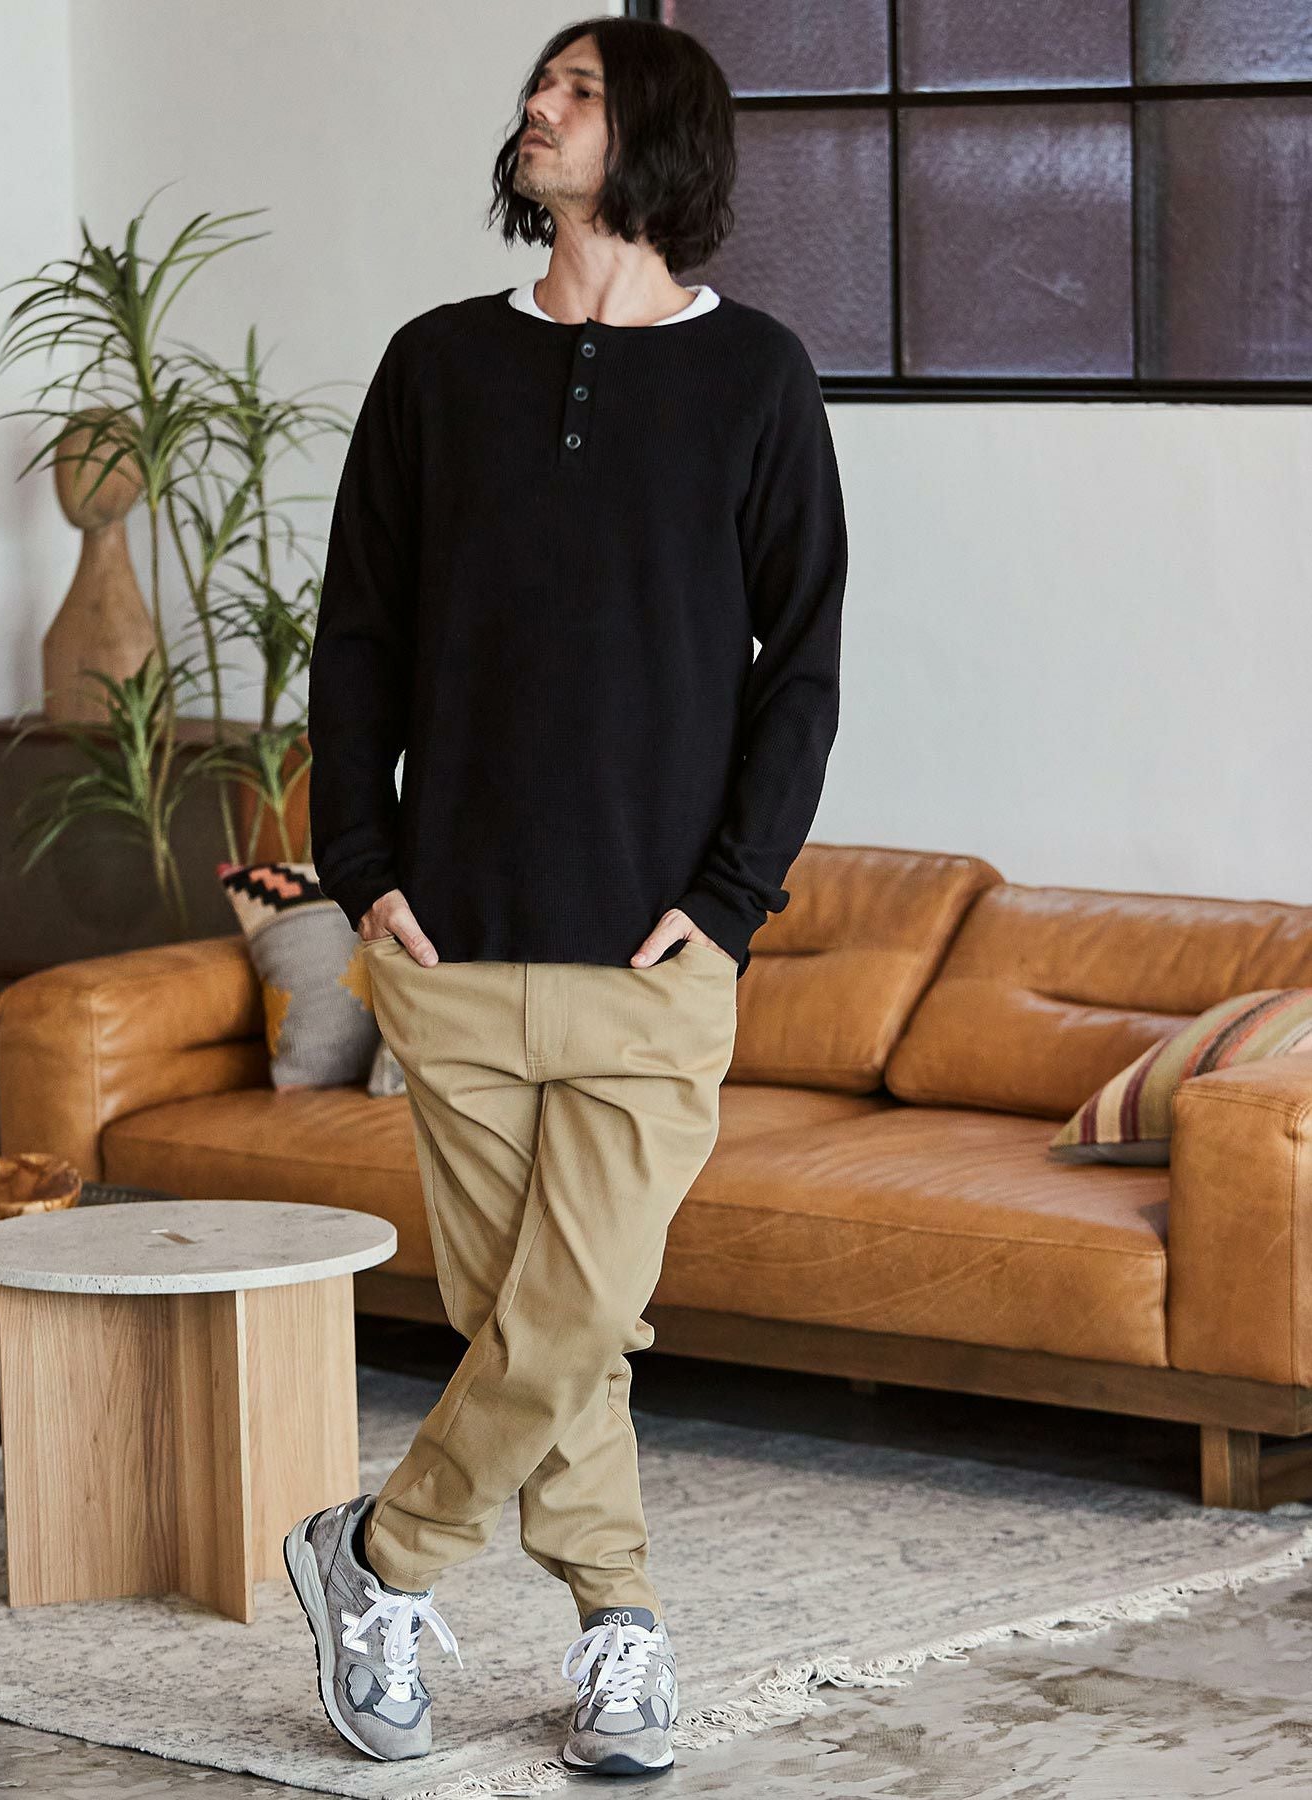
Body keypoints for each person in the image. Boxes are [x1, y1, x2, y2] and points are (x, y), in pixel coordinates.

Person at [284, 12, 847, 1777]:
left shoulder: (756, 377)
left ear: (655, 136)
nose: (539, 108)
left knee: (580, 1308)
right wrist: (363, 872)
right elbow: (357, 634)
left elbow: (801, 669)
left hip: (653, 957)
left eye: (580, 92)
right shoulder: (438, 365)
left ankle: (380, 1558)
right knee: (531, 1325)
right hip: (448, 945)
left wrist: (733, 898)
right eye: (542, 85)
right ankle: (621, 1631)